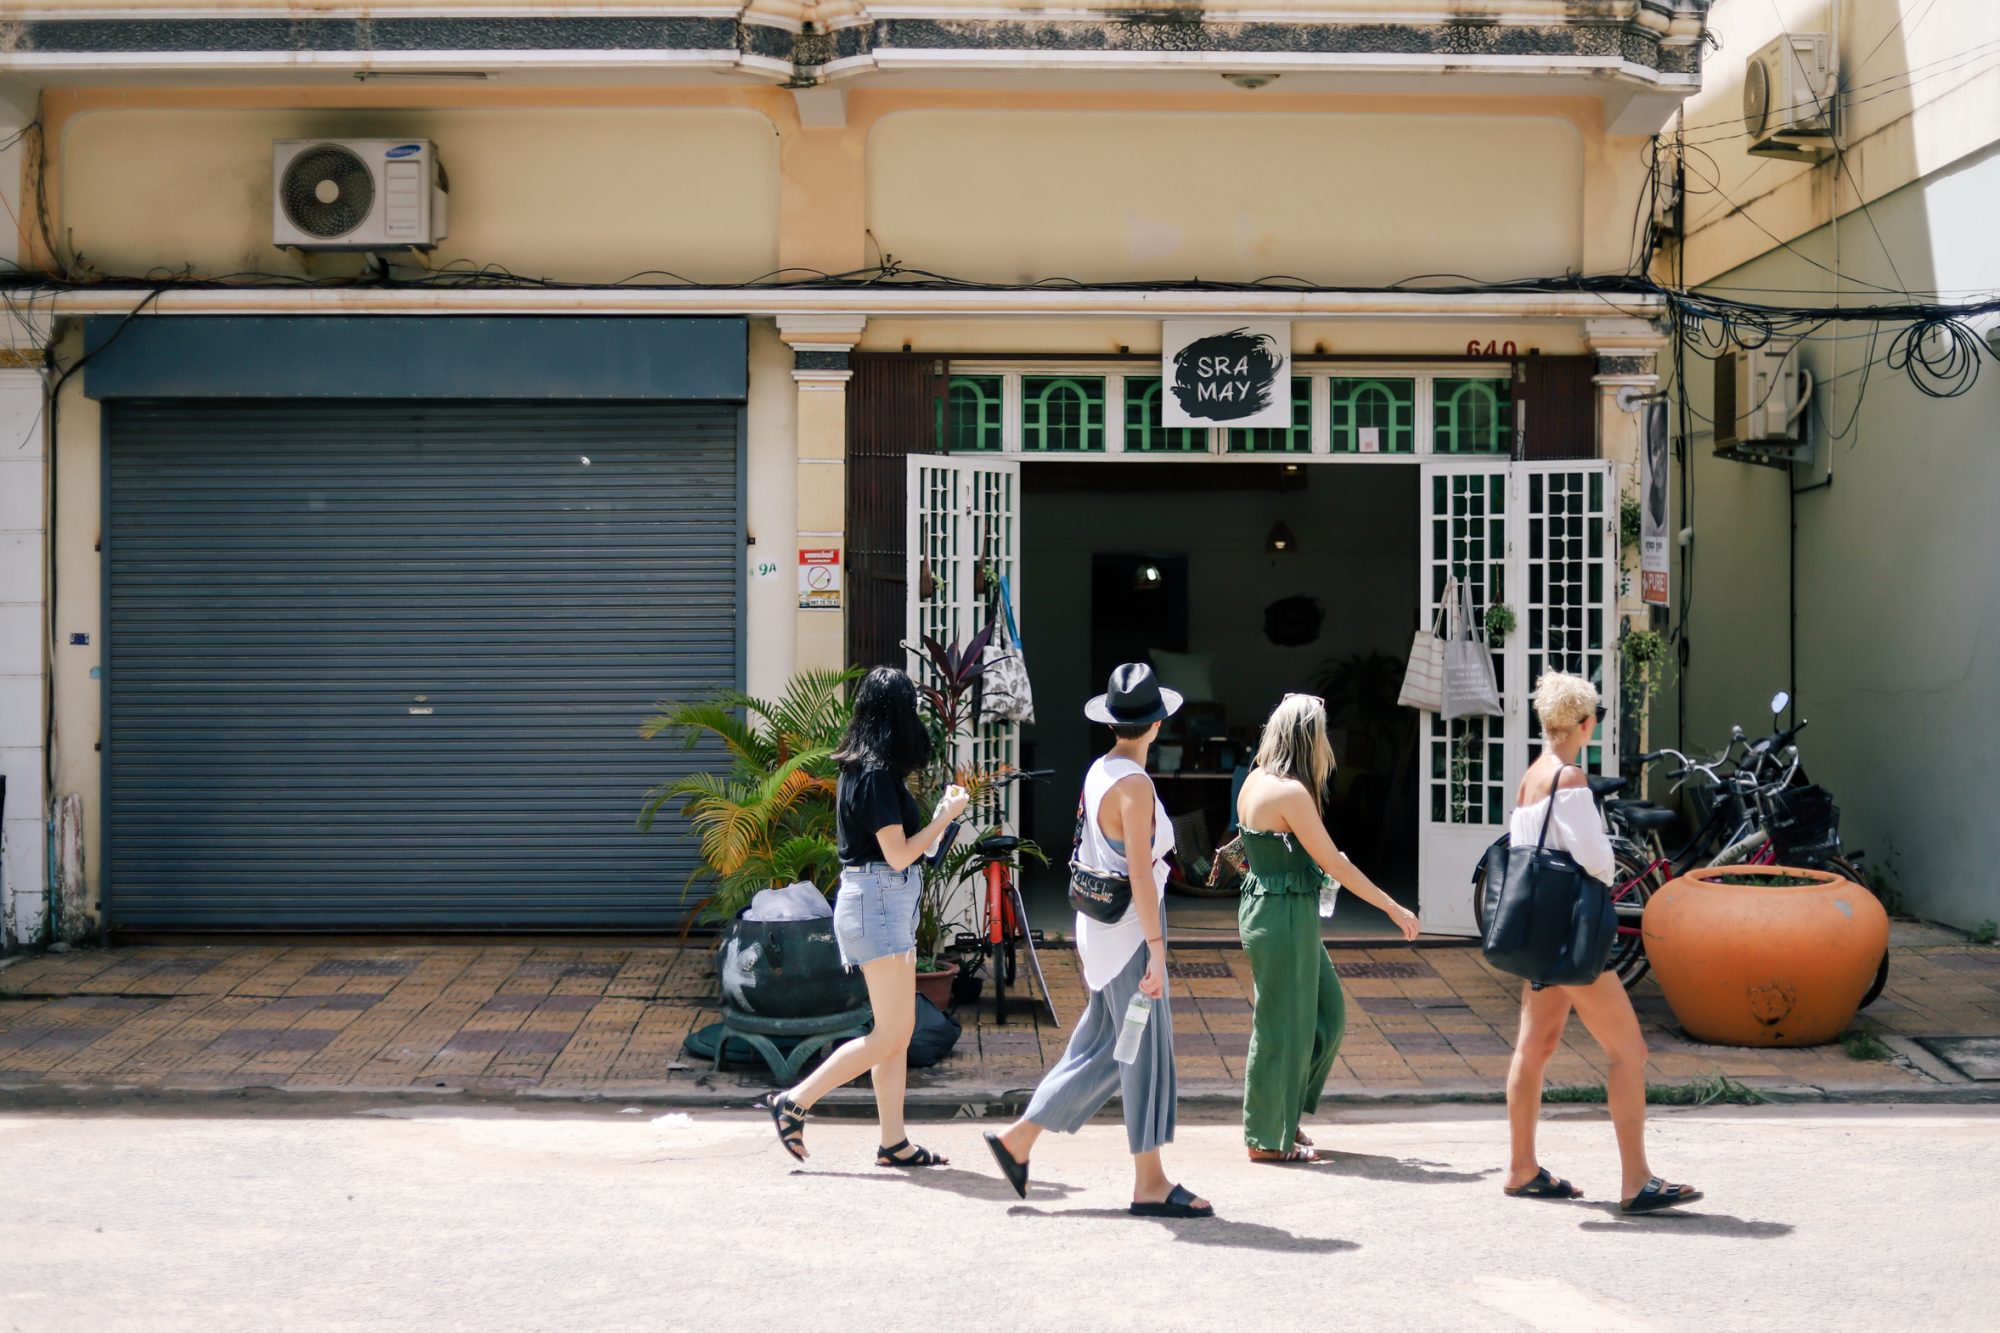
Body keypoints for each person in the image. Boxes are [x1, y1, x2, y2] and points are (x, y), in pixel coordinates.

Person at [983, 664, 1212, 1219]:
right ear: (1158, 723)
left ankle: (1019, 1141)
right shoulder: (1134, 786)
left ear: (1114, 722)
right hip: (1131, 933)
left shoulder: (1101, 770)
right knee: (1142, 1053)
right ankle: (1150, 1183)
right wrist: (1158, 949)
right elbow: (1139, 870)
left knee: (1108, 1048)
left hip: (1101, 930)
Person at [1502, 670, 1702, 1213]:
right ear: (1585, 723)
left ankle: (1522, 1168)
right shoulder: (1569, 779)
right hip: (1574, 937)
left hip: (1541, 934)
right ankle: (1637, 1180)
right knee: (1628, 1051)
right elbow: (1598, 862)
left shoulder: (1531, 777)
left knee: (1534, 1048)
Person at [758, 666, 969, 1168]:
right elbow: (897, 856)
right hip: (877, 900)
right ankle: (795, 1100)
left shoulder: (866, 767)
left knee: (893, 1034)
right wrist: (946, 816)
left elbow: (902, 853)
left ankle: (893, 1142)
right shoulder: (873, 773)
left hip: (882, 900)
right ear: (896, 715)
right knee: (893, 1034)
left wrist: (940, 817)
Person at [1234, 693, 1421, 1163]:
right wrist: (1392, 908)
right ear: (1307, 739)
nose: (1327, 744)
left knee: (1325, 1017)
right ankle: (1266, 1137)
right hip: (1282, 914)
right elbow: (1334, 863)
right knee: (1282, 1027)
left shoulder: (1257, 779)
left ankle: (1283, 1113)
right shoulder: (1289, 792)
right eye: (1321, 735)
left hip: (1275, 909)